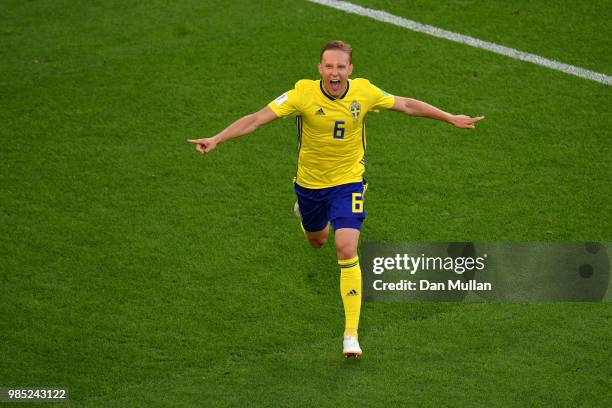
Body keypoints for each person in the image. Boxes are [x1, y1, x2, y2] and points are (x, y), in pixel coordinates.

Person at [188, 40, 484, 359]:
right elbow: (257, 119)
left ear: (350, 70)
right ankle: (306, 215)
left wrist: (449, 117)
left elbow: (407, 105)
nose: (335, 72)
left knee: (345, 248)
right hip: (310, 186)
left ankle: (351, 335)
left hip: (348, 183)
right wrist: (217, 138)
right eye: (329, 66)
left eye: (341, 67)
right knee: (317, 241)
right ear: (320, 69)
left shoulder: (364, 92)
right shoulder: (301, 94)